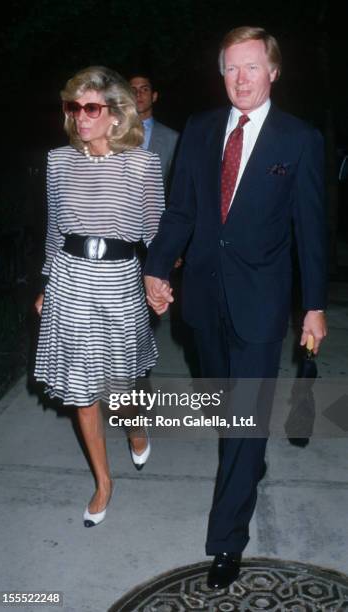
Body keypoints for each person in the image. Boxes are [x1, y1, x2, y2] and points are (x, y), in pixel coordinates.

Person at [144, 27, 327, 589]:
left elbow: (311, 231)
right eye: (231, 68)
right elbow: (179, 213)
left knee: (244, 422)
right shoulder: (200, 130)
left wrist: (314, 307)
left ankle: (226, 540)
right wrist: (155, 267)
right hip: (201, 298)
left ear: (274, 72)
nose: (241, 79)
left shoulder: (298, 140)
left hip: (261, 303)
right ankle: (245, 462)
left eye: (252, 68)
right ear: (220, 72)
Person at [34, 66, 164, 528]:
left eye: (91, 107)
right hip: (70, 281)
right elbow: (54, 229)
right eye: (74, 107)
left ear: (115, 114)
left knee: (119, 385)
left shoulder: (143, 164)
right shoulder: (58, 161)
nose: (80, 116)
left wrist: (161, 279)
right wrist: (48, 282)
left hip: (118, 281)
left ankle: (135, 425)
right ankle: (104, 482)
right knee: (81, 389)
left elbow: (157, 232)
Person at [129, 73, 179, 191]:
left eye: (144, 89)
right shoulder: (113, 133)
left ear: (154, 96)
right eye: (133, 90)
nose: (138, 94)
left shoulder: (172, 138)